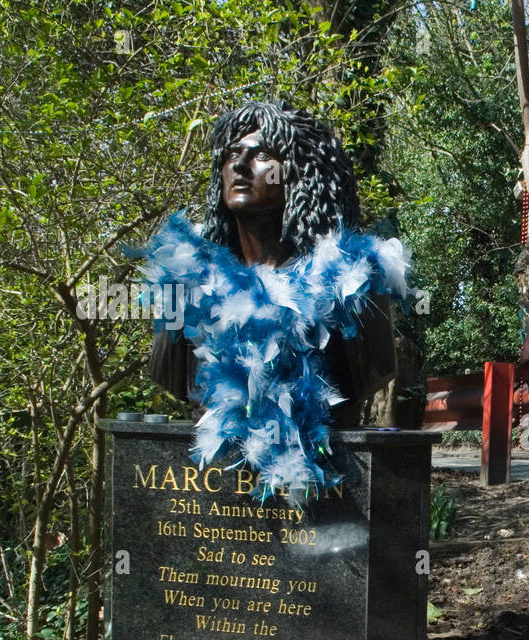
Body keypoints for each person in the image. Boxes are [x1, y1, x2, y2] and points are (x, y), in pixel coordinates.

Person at [138, 100, 406, 497]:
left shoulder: (352, 290)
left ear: (302, 174)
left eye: (262, 155)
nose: (241, 166)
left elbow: (371, 369)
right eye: (232, 155)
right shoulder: (186, 292)